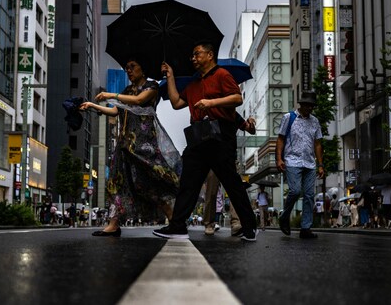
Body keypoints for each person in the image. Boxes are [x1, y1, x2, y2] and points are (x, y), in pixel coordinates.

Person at [153, 41, 258, 241]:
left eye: (197, 54)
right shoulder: (193, 84)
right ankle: (177, 226)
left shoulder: (222, 75)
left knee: (231, 182)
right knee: (188, 182)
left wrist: (211, 102)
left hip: (221, 135)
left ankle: (249, 226)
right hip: (199, 135)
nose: (193, 58)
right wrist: (171, 76)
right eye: (192, 55)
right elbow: (176, 103)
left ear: (210, 55)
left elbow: (237, 98)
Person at [80, 59, 181, 237]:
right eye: (127, 68)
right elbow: (115, 111)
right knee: (118, 182)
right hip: (124, 144)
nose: (129, 71)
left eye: (133, 67)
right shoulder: (127, 90)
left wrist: (111, 95)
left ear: (143, 69)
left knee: (149, 182)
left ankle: (174, 220)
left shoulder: (152, 86)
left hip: (144, 145)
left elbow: (138, 100)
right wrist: (92, 106)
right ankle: (113, 224)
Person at [276, 91, 325, 239]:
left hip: (310, 163)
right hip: (292, 160)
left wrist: (321, 164)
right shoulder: (289, 117)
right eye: (308, 105)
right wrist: (279, 159)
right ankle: (284, 217)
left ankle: (305, 228)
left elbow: (317, 144)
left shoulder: (315, 121)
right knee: (296, 191)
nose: (310, 108)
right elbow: (280, 139)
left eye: (312, 106)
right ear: (301, 104)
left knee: (310, 195)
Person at [203, 115, 256, 236]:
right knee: (211, 192)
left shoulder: (232, 114)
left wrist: (251, 123)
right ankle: (209, 223)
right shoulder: (210, 112)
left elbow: (250, 130)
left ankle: (236, 223)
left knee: (235, 192)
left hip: (231, 159)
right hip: (213, 159)